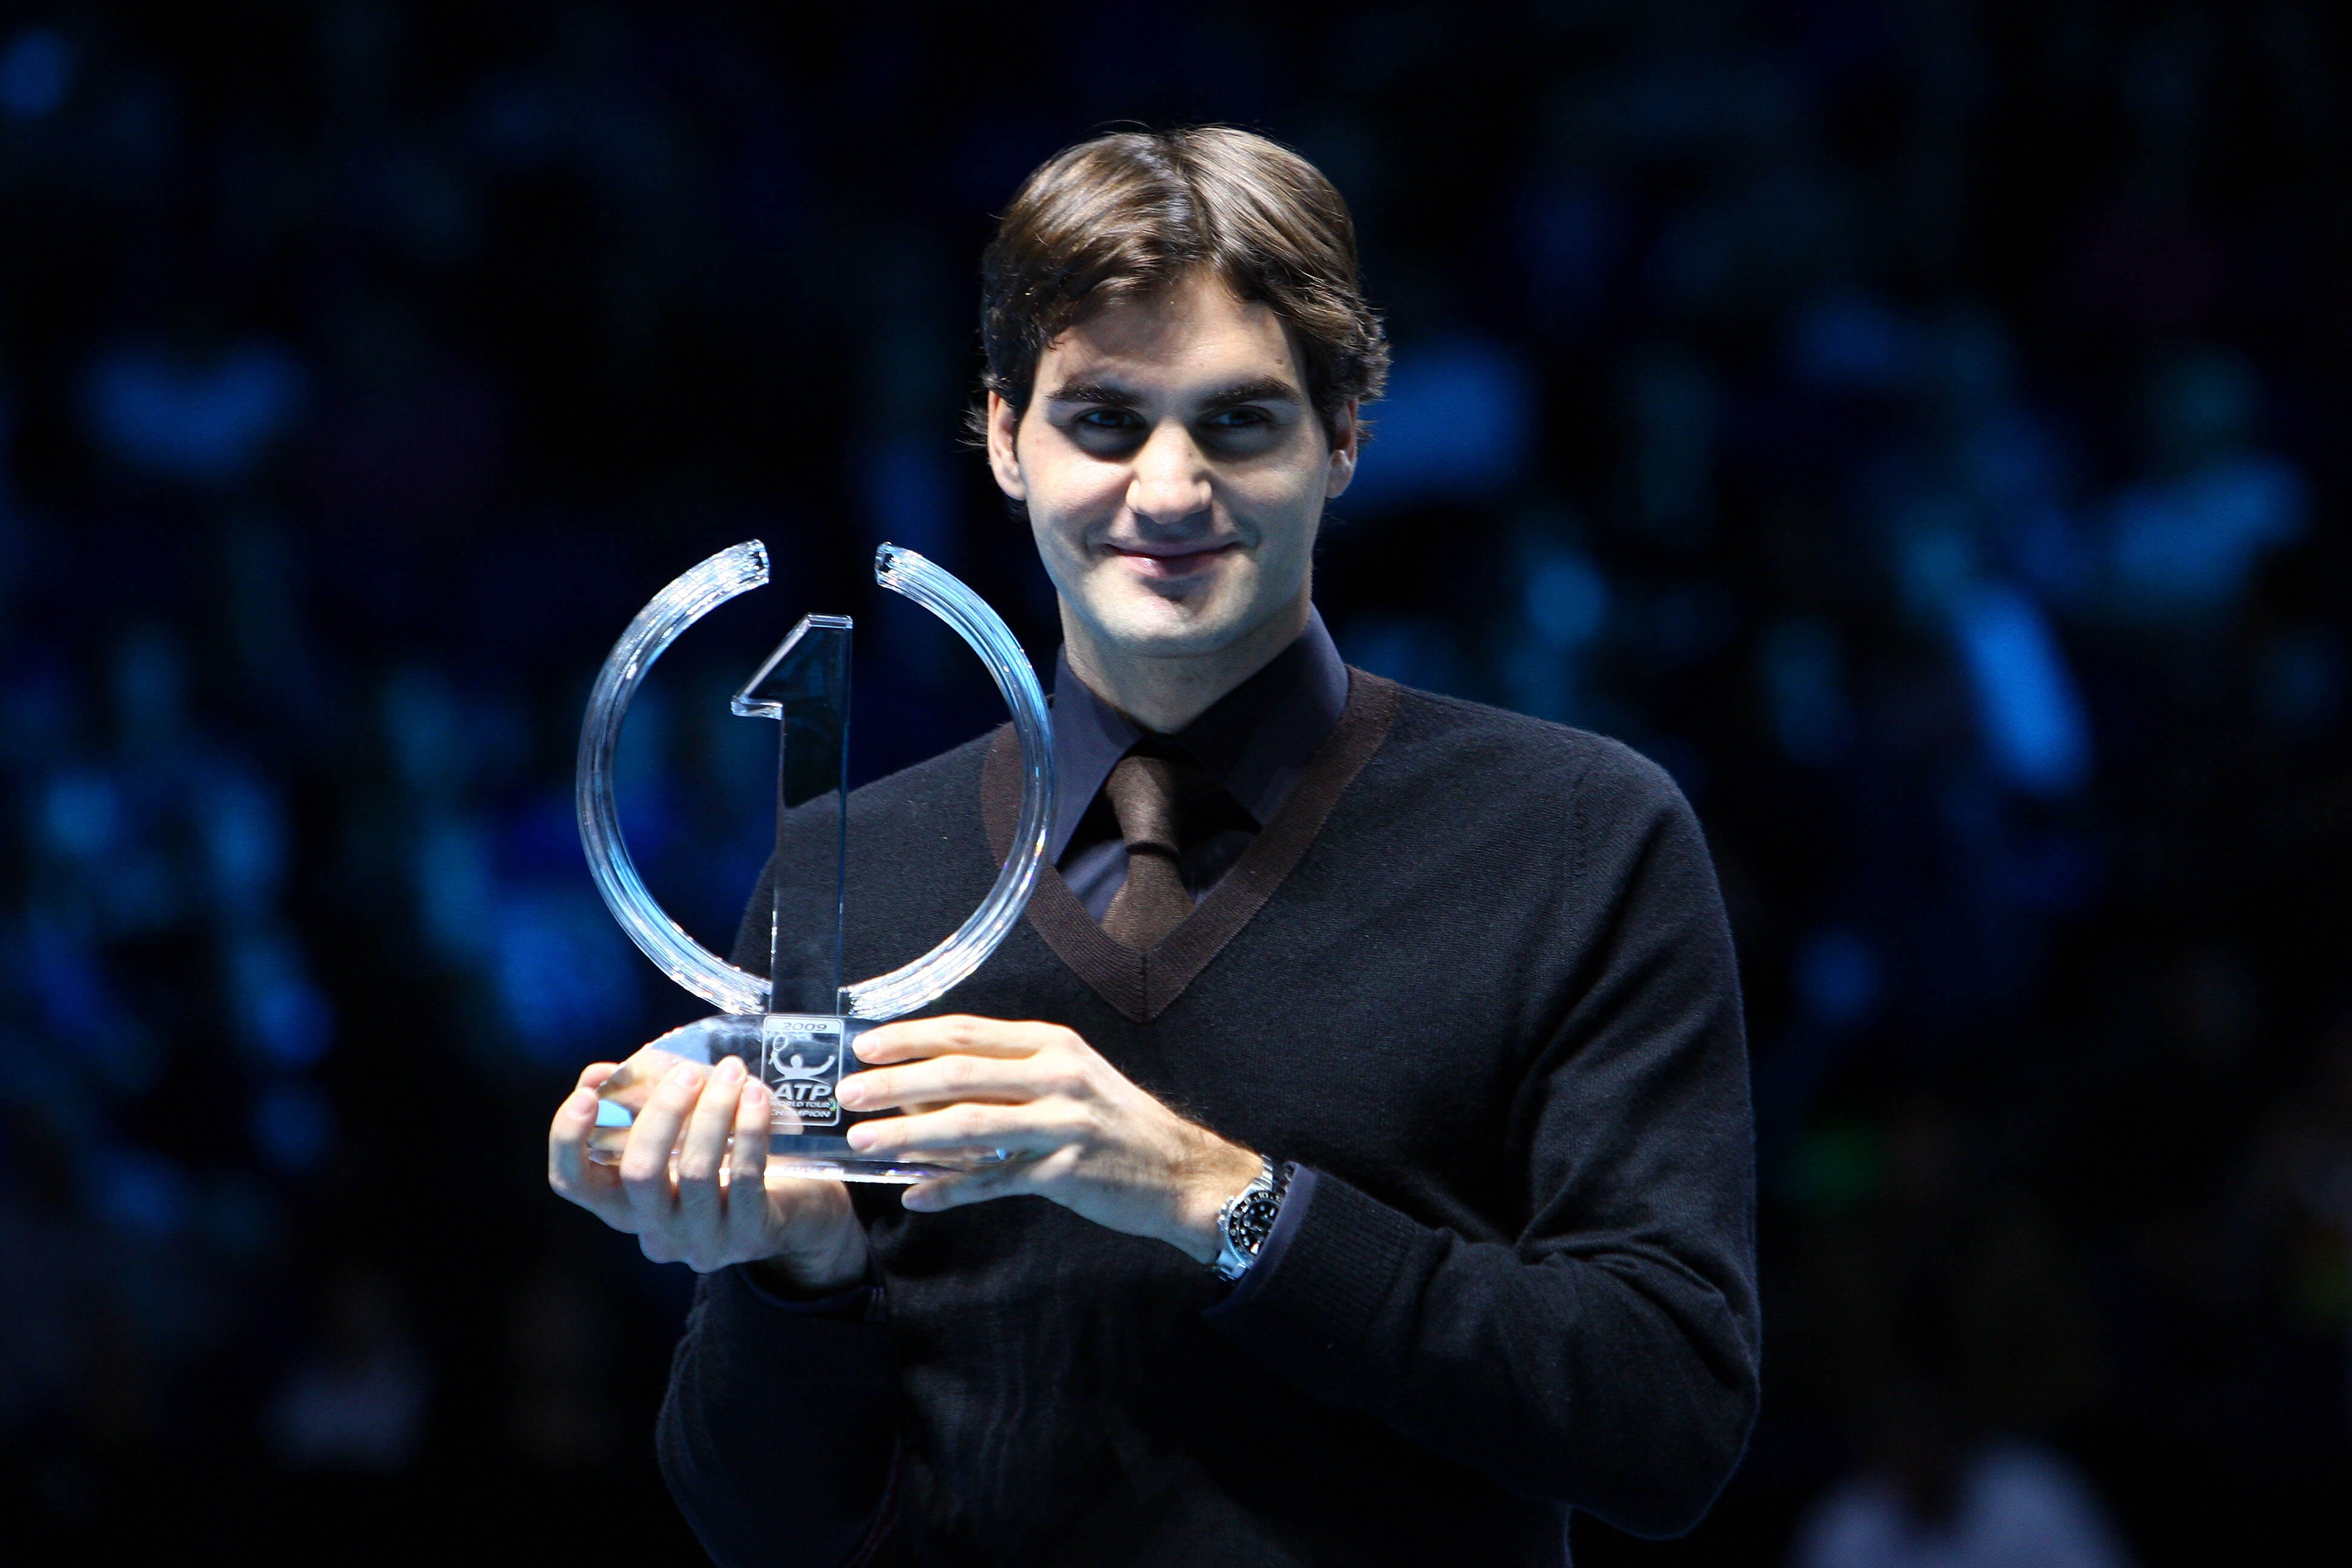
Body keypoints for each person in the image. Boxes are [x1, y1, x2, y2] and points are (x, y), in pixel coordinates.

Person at [548, 126, 1758, 1567]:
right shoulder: (852, 870)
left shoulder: (1575, 836)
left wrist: (1201, 1191)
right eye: (1105, 423)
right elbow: (760, 1527)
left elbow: (1666, 1417)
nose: (1170, 490)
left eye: (1239, 422)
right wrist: (797, 1270)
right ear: (1004, 438)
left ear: (1346, 437)